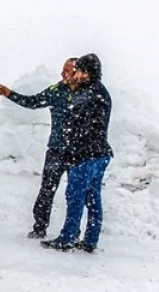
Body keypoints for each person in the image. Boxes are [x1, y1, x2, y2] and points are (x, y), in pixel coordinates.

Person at [0, 58, 78, 238]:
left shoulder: (85, 94)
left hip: (77, 152)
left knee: (75, 193)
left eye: (68, 71)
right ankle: (39, 227)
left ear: (78, 73)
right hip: (56, 149)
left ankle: (73, 231)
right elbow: (33, 102)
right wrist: (11, 94)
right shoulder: (56, 91)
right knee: (47, 189)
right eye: (63, 69)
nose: (63, 73)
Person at [42, 53, 113, 253]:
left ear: (88, 73)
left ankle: (68, 237)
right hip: (98, 154)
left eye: (80, 71)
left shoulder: (90, 95)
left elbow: (83, 128)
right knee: (92, 198)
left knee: (75, 196)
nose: (76, 74)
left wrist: (73, 151)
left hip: (86, 156)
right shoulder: (97, 91)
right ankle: (90, 239)